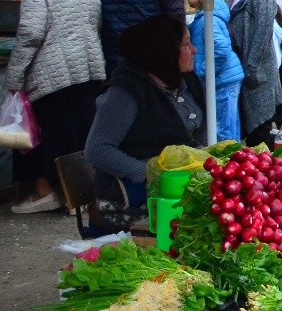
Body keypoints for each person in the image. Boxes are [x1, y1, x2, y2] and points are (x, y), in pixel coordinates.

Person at [4, 0, 106, 214]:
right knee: (80, 135)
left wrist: (14, 78)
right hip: (88, 70)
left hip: (51, 75)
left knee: (41, 137)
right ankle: (79, 198)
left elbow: (30, 34)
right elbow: (96, 24)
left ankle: (45, 192)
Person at [85, 14, 205, 231]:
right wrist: (150, 174)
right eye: (187, 44)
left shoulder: (185, 81)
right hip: (132, 203)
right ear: (164, 52)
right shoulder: (125, 92)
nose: (194, 50)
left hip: (178, 191)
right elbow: (97, 150)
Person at [227, 0, 282, 146]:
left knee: (261, 128)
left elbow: (263, 32)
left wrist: (251, 65)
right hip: (247, 67)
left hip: (258, 72)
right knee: (252, 130)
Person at [186, 0, 245, 143]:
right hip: (226, 78)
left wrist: (202, 70)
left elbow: (221, 49)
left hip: (222, 79)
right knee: (228, 127)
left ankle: (227, 164)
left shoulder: (208, 19)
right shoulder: (208, 16)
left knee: (223, 131)